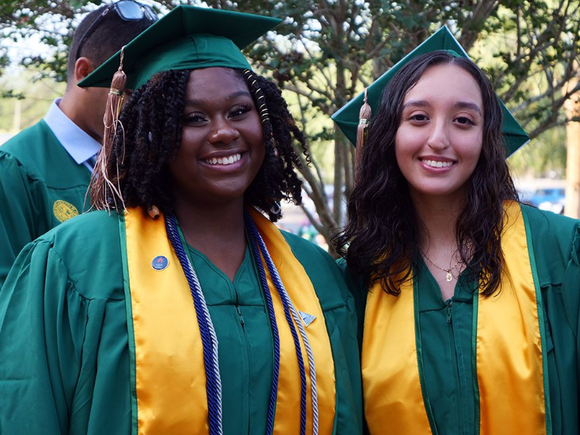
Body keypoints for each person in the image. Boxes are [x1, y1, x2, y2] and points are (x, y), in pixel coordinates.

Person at [0, 6, 362, 435]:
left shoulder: (314, 274)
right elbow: (27, 408)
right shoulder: (75, 261)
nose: (223, 131)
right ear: (150, 131)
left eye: (239, 111)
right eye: (192, 118)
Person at [333, 27, 580, 434]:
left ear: (486, 138)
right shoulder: (356, 279)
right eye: (418, 117)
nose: (438, 138)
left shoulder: (556, 251)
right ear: (388, 135)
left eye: (463, 120)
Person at [0, 1, 157, 287]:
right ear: (85, 73)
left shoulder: (143, 159)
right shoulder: (16, 169)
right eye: (132, 91)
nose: (143, 107)